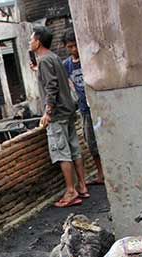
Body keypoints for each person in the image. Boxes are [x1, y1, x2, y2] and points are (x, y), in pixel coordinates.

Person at [30, 26, 89, 207]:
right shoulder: (53, 57)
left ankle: (70, 191)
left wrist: (48, 112)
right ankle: (82, 185)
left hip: (57, 114)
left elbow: (51, 86)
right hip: (68, 109)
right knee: (74, 148)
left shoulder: (45, 60)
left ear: (38, 41)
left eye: (32, 39)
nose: (30, 42)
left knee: (61, 152)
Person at [62, 29, 104, 184]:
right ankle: (101, 174)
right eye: (70, 47)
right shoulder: (66, 65)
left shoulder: (88, 59)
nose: (74, 50)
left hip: (98, 105)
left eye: (75, 46)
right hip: (84, 108)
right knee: (91, 143)